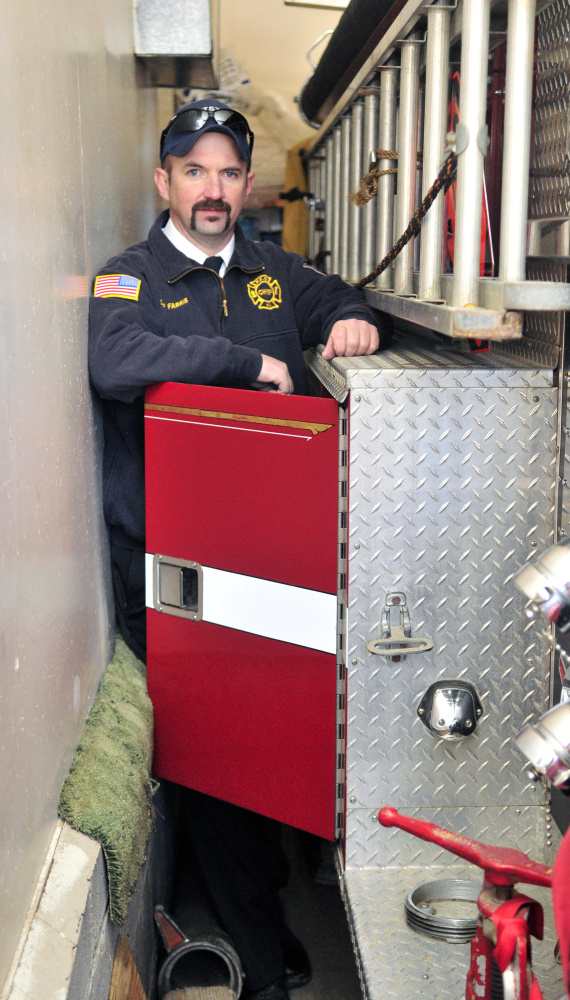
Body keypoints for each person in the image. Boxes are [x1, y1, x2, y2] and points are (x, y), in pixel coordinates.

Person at [89, 98, 392, 1000]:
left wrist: (351, 321)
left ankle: (257, 919)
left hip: (268, 561)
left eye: (228, 173)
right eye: (195, 172)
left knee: (263, 740)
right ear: (164, 181)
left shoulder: (271, 273)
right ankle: (258, 957)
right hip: (171, 567)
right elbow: (116, 361)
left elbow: (342, 298)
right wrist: (243, 367)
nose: (212, 190)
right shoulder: (129, 276)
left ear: (246, 185)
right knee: (217, 754)